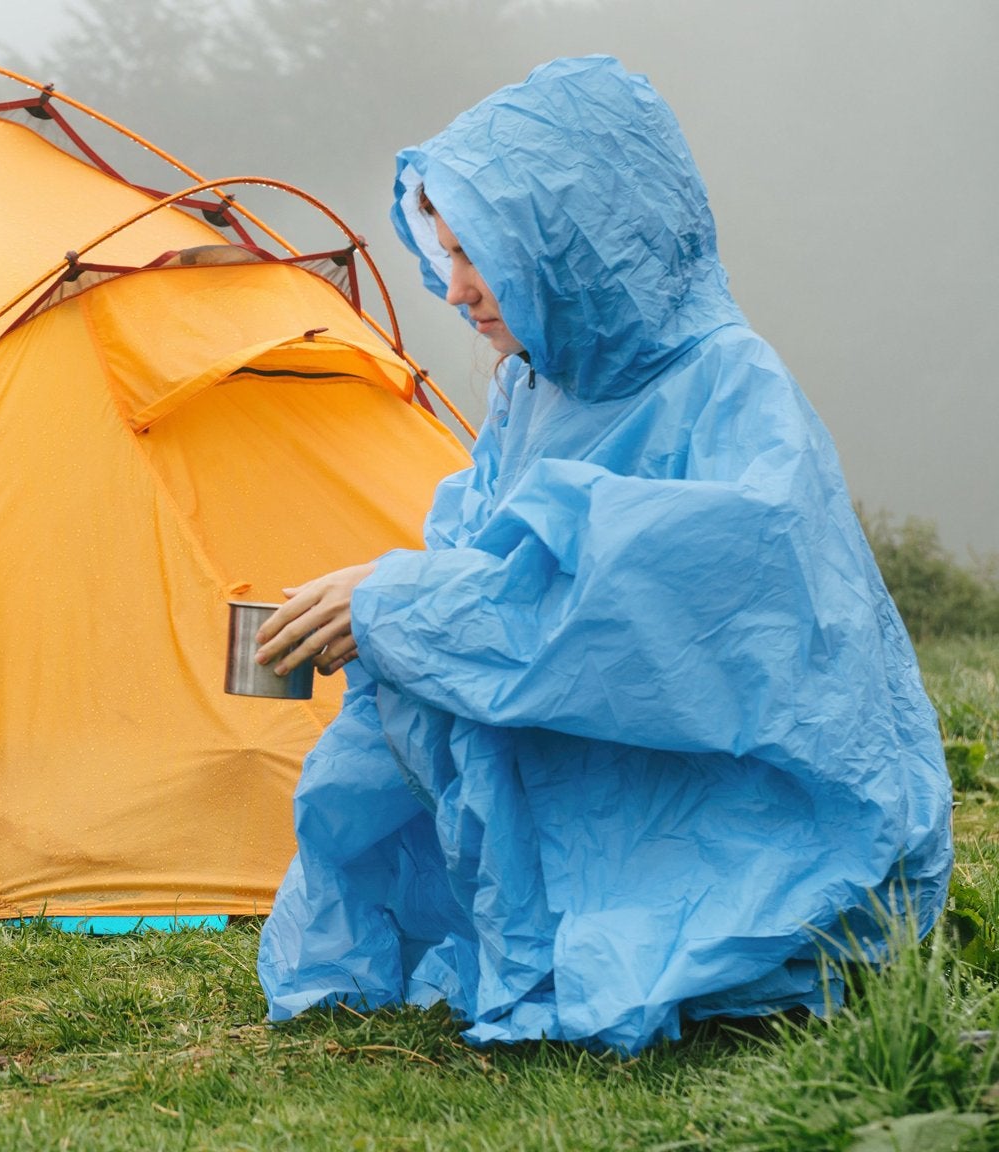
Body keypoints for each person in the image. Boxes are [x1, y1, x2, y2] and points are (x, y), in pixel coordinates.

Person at [252, 56, 952, 1055]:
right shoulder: (532, 385)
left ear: (562, 246)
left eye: (476, 256)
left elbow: (682, 609)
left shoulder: (724, 384)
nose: (451, 290)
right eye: (440, 253)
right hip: (596, 774)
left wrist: (403, 600)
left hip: (751, 793)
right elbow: (485, 561)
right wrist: (388, 609)